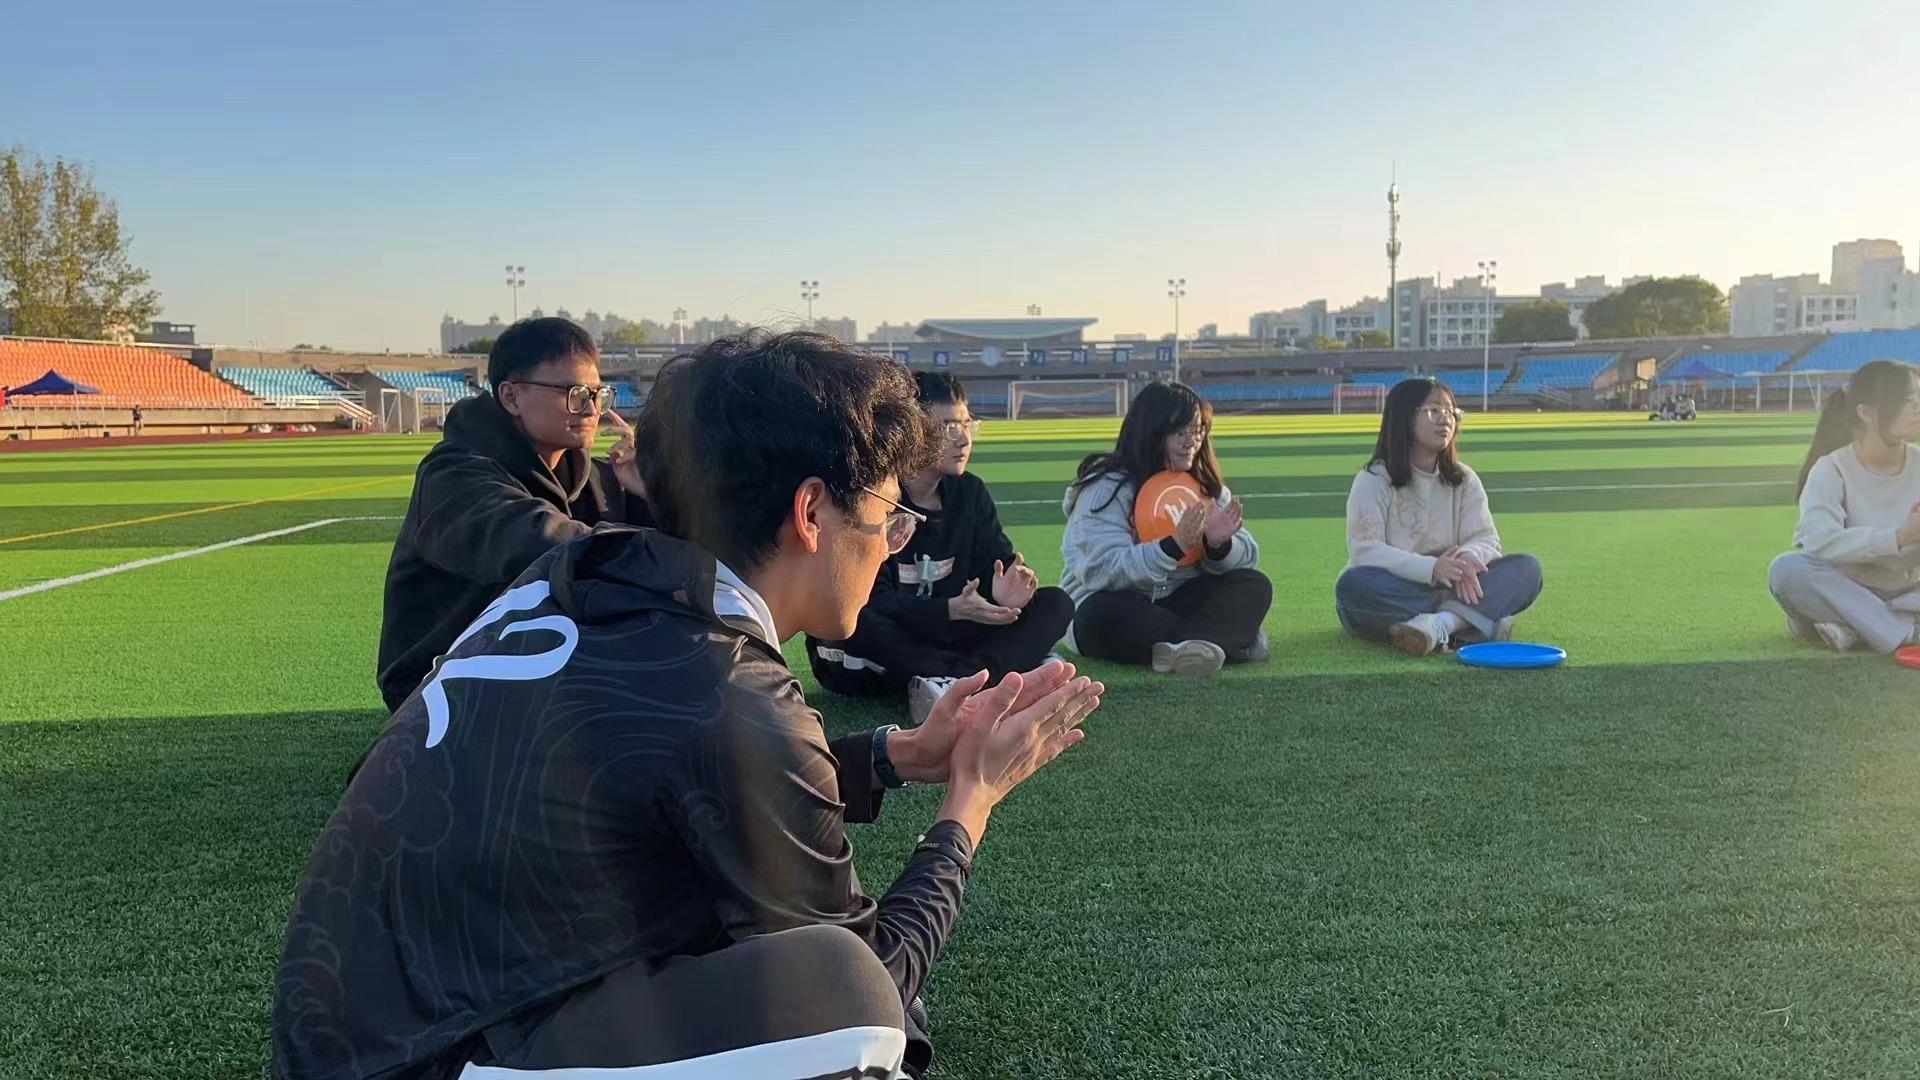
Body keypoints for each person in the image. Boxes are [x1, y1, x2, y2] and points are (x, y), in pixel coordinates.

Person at [273, 330, 1102, 1080]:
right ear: (812, 511)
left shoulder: (583, 581)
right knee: (847, 996)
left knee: (744, 920)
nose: (890, 544)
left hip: (378, 1030)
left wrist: (890, 754)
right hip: (433, 1057)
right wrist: (968, 804)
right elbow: (876, 976)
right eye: (888, 514)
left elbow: (681, 769)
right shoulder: (725, 683)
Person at [374, 316, 651, 712]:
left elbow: (689, 541)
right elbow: (537, 540)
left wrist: (652, 491)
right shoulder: (453, 476)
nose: (591, 408)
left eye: (597, 394)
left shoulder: (601, 477)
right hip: (440, 683)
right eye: (573, 392)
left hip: (540, 659)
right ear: (511, 397)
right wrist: (654, 553)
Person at [808, 372, 1075, 722]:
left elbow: (995, 569)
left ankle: (953, 682)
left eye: (967, 424)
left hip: (949, 635)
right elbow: (868, 600)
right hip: (881, 648)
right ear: (912, 432)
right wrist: (948, 610)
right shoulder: (875, 496)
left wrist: (1009, 592)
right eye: (949, 427)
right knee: (856, 623)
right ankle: (998, 672)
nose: (964, 438)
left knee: (1056, 603)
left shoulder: (969, 493)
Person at [1061, 381, 1270, 676]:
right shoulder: (1105, 488)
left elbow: (1246, 558)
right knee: (1103, 616)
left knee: (1254, 585)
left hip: (1178, 601)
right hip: (1118, 602)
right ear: (1151, 432)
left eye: (1197, 431)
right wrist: (1171, 548)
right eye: (1179, 432)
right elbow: (1100, 569)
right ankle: (1222, 641)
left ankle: (1184, 648)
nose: (1191, 442)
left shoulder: (1204, 485)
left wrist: (1219, 546)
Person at [1334, 378, 1544, 656]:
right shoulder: (1373, 479)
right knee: (1352, 588)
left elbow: (1486, 539)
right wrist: (1433, 569)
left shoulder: (1464, 479)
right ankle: (1472, 622)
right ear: (1404, 417)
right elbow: (1366, 551)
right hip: (1396, 589)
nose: (1446, 419)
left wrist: (1467, 558)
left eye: (1451, 412)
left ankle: (1440, 625)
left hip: (1457, 584)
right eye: (1434, 410)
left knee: (1527, 570)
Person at [1768, 360, 1920, 654]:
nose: (1919, 408)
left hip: (1911, 591)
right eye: (1908, 400)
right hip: (1849, 588)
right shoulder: (1832, 468)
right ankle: (1904, 632)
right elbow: (1819, 540)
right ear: (1867, 413)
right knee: (1786, 571)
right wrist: (1900, 537)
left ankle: (1856, 627)